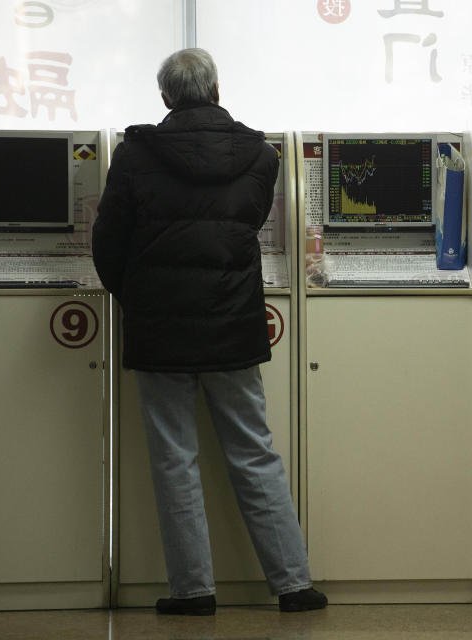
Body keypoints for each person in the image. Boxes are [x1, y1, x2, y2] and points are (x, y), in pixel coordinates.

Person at [93, 48, 326, 615]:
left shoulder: (134, 154)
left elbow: (108, 241)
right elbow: (240, 227)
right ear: (217, 90)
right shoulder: (258, 154)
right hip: (232, 321)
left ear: (166, 97)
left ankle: (193, 592)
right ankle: (294, 584)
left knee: (175, 457)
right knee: (254, 450)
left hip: (160, 328)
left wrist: (141, 297)